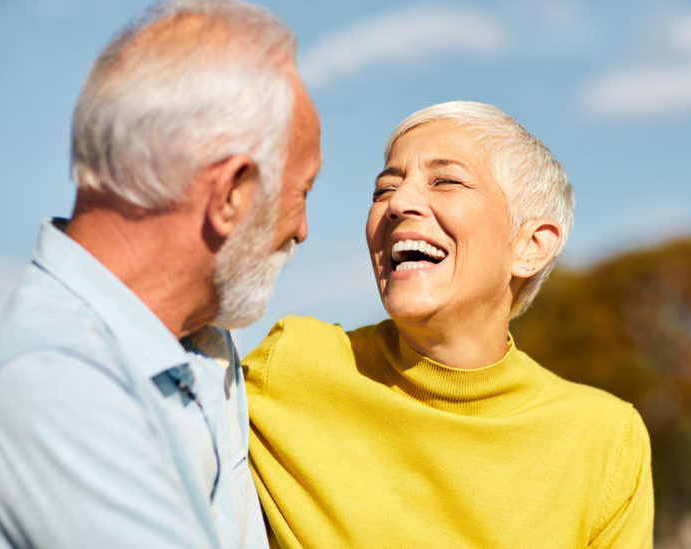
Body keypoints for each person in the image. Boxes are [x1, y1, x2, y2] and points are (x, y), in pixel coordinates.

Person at [245, 101, 653, 548]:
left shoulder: (606, 440)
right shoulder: (290, 364)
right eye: (384, 190)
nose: (399, 203)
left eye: (445, 181)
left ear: (531, 246)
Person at [0, 1, 320, 547]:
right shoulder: (55, 380)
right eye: (302, 193)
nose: (303, 230)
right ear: (231, 195)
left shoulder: (203, 344)